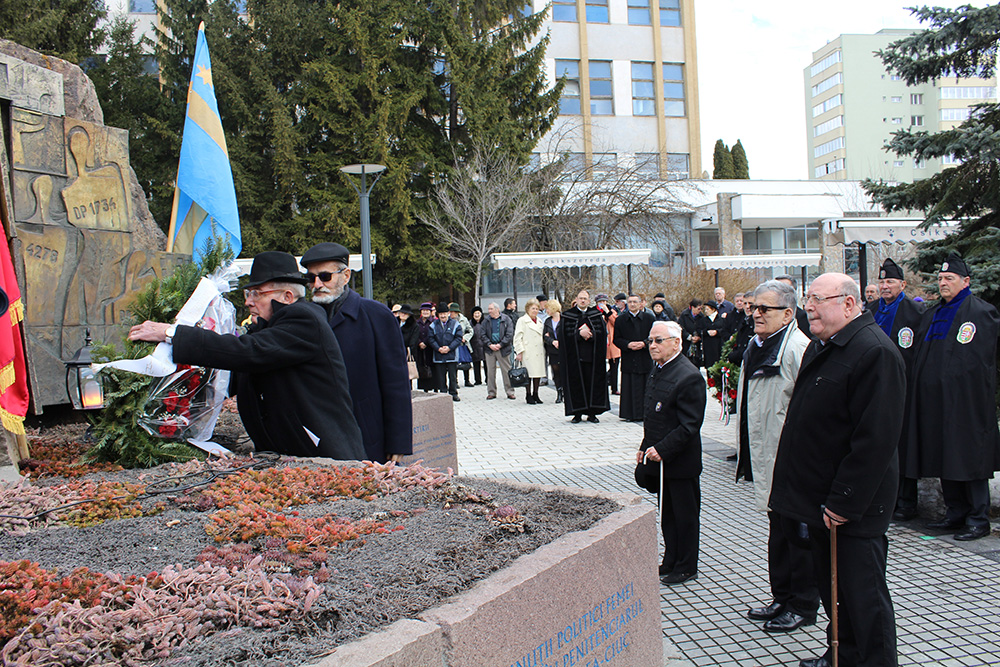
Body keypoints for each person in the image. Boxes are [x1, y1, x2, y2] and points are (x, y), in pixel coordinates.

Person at [769, 273, 904, 667]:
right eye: (807, 298)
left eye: (817, 299)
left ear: (848, 303)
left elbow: (875, 439)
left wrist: (844, 501)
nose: (808, 306)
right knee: (835, 592)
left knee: (862, 596)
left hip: (851, 507)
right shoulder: (826, 344)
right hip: (817, 499)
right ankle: (842, 655)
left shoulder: (873, 352)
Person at [128, 251, 365, 460]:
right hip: (287, 452)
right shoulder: (267, 328)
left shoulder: (304, 320)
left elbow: (247, 352)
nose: (248, 302)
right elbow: (234, 374)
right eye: (247, 293)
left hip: (323, 454)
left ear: (287, 297)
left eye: (257, 293)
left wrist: (172, 333)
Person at [736, 281, 817, 634]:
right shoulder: (759, 345)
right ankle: (782, 597)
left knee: (798, 535)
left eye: (763, 309)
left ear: (788, 313)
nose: (755, 314)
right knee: (778, 532)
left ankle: (802, 605)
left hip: (791, 460)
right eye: (753, 308)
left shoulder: (797, 348)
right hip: (767, 457)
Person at [904, 251, 1000, 541]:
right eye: (941, 278)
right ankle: (955, 512)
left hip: (966, 404)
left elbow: (980, 360)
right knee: (945, 456)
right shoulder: (932, 313)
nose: (943, 283)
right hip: (935, 402)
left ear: (966, 281)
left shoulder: (981, 312)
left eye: (949, 278)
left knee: (969, 457)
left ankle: (978, 518)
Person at [300, 242, 412, 463]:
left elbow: (396, 383)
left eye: (325, 276)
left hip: (368, 435)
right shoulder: (303, 318)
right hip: (317, 437)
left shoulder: (376, 315)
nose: (317, 284)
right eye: (310, 278)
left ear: (346, 275)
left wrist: (398, 442)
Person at [633, 321, 706, 586]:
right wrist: (644, 445)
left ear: (676, 342)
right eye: (650, 340)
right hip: (661, 461)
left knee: (685, 517)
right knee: (669, 515)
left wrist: (662, 449)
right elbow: (654, 415)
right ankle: (672, 558)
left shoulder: (689, 376)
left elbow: (689, 426)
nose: (652, 345)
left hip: (680, 462)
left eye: (658, 340)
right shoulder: (660, 369)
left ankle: (687, 566)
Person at [868, 258, 926, 522]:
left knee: (903, 444)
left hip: (903, 386)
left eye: (890, 281)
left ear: (902, 284)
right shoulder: (870, 310)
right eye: (881, 282)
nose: (884, 286)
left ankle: (906, 501)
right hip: (872, 386)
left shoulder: (915, 313)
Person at [559, 290, 610, 423]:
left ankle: (592, 413)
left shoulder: (596, 315)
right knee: (576, 385)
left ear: (589, 301)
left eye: (585, 299)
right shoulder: (567, 316)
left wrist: (592, 333)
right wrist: (578, 334)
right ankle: (577, 414)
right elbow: (563, 337)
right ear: (576, 299)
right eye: (580, 298)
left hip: (592, 358)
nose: (583, 301)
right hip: (574, 358)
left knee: (591, 385)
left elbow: (603, 333)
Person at [614, 294, 654, 422]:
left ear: (640, 303)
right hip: (629, 357)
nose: (632, 304)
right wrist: (628, 345)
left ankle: (646, 413)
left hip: (644, 357)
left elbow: (654, 337)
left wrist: (644, 343)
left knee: (645, 385)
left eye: (635, 302)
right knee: (629, 386)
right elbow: (616, 339)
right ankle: (629, 414)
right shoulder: (621, 319)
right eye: (630, 302)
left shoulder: (649, 318)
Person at [477, 302, 516, 400]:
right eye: (489, 309)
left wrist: (500, 344)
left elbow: (509, 334)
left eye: (491, 309)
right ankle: (491, 392)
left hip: (503, 349)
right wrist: (489, 344)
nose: (489, 311)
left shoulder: (506, 319)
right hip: (489, 349)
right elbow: (482, 334)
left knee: (506, 371)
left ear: (497, 309)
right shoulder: (486, 320)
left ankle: (510, 391)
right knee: (490, 372)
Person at [427, 301, 463, 401]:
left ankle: (453, 393)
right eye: (441, 314)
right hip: (438, 355)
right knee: (441, 376)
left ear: (448, 313)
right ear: (438, 315)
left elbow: (458, 338)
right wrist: (438, 348)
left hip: (452, 355)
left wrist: (449, 348)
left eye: (445, 313)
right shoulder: (433, 325)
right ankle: (443, 394)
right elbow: (430, 338)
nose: (443, 315)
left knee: (453, 376)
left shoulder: (456, 324)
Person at [513, 298, 547, 404]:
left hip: (539, 350)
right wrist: (519, 351)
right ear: (528, 309)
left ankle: (536, 394)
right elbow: (518, 337)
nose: (535, 311)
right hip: (527, 351)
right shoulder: (522, 320)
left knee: (537, 374)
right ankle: (528, 395)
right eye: (533, 308)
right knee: (528, 374)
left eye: (537, 309)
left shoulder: (540, 321)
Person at [776, 275, 813, 340]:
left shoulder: (804, 317)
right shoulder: (766, 315)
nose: (780, 294)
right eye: (776, 289)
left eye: (784, 290)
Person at [597, 294, 620, 395]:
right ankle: (600, 388)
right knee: (599, 367)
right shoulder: (594, 312)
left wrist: (608, 312)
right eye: (601, 301)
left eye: (604, 301)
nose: (603, 303)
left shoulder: (612, 311)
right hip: (600, 342)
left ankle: (614, 388)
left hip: (612, 343)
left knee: (614, 366)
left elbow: (616, 323)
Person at [448, 302, 475, 387]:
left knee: (465, 361)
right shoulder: (448, 320)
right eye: (450, 312)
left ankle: (467, 380)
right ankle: (454, 382)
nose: (451, 313)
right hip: (453, 344)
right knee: (454, 364)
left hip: (463, 344)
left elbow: (470, 330)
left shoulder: (464, 319)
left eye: (453, 312)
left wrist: (465, 337)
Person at [543, 300, 563, 403]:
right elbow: (544, 336)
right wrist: (552, 341)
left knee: (565, 371)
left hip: (564, 350)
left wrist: (560, 341)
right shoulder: (547, 321)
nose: (546, 311)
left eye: (548, 308)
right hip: (553, 350)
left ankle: (565, 391)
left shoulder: (564, 319)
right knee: (556, 372)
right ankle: (559, 391)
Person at [398, 304, 421, 387]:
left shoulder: (414, 326)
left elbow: (413, 342)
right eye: (401, 313)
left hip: (407, 353)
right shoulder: (394, 323)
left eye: (405, 313)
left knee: (407, 376)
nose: (403, 315)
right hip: (394, 353)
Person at [416, 302, 437, 392]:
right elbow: (415, 335)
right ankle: (425, 388)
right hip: (420, 349)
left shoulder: (434, 322)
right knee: (422, 367)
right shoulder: (417, 323)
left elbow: (434, 334)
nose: (425, 312)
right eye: (423, 311)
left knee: (433, 367)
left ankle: (435, 387)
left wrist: (425, 342)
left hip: (431, 348)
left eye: (427, 311)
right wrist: (420, 342)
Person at [700, 300, 725, 369]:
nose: (706, 311)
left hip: (718, 346)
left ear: (713, 309)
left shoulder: (721, 319)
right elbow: (699, 330)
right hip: (708, 346)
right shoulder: (703, 320)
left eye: (708, 309)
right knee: (709, 366)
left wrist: (717, 332)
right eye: (705, 309)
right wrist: (706, 332)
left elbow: (724, 330)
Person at [679, 298, 703, 364]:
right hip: (686, 343)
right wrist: (689, 337)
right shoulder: (684, 315)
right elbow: (680, 327)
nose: (700, 311)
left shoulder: (701, 316)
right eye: (698, 309)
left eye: (701, 309)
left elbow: (702, 328)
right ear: (693, 307)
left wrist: (698, 337)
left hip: (697, 345)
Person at [468, 306, 486, 386]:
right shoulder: (470, 323)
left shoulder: (485, 322)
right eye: (475, 313)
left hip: (485, 346)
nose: (477, 315)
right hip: (474, 345)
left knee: (486, 364)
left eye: (478, 313)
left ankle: (488, 379)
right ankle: (477, 380)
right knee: (476, 364)